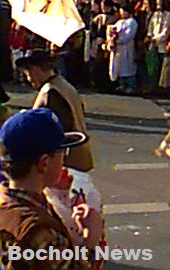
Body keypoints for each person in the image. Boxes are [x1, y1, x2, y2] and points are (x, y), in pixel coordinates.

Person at [0, 108, 103, 269]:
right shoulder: (40, 232)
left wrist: (61, 198)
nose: (64, 160)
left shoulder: (7, 200)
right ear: (44, 163)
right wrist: (91, 241)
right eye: (62, 152)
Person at [16, 50, 94, 173]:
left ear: (35, 69)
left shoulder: (51, 92)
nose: (28, 78)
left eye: (27, 72)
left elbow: (56, 131)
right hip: (77, 158)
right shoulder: (63, 85)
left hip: (66, 163)